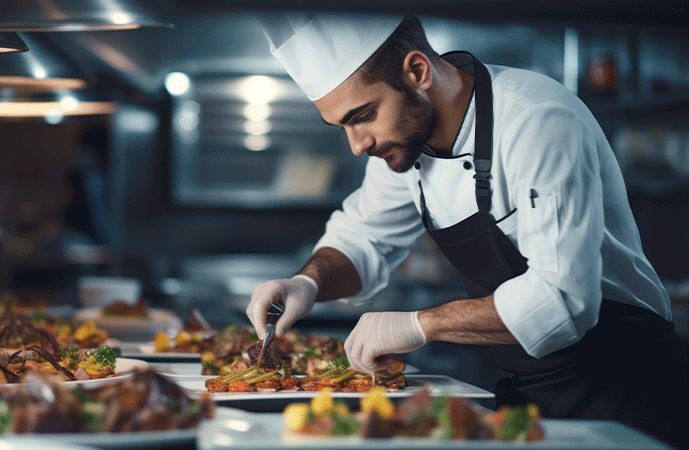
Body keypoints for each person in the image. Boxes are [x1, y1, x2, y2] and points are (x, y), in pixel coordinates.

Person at [247, 14, 688, 445]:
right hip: (525, 389)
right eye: (342, 126)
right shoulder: (404, 144)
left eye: (363, 115)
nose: (358, 144)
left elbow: (565, 301)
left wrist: (424, 324)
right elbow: (364, 237)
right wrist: (307, 281)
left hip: (623, 387)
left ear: (417, 70)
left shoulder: (537, 120)